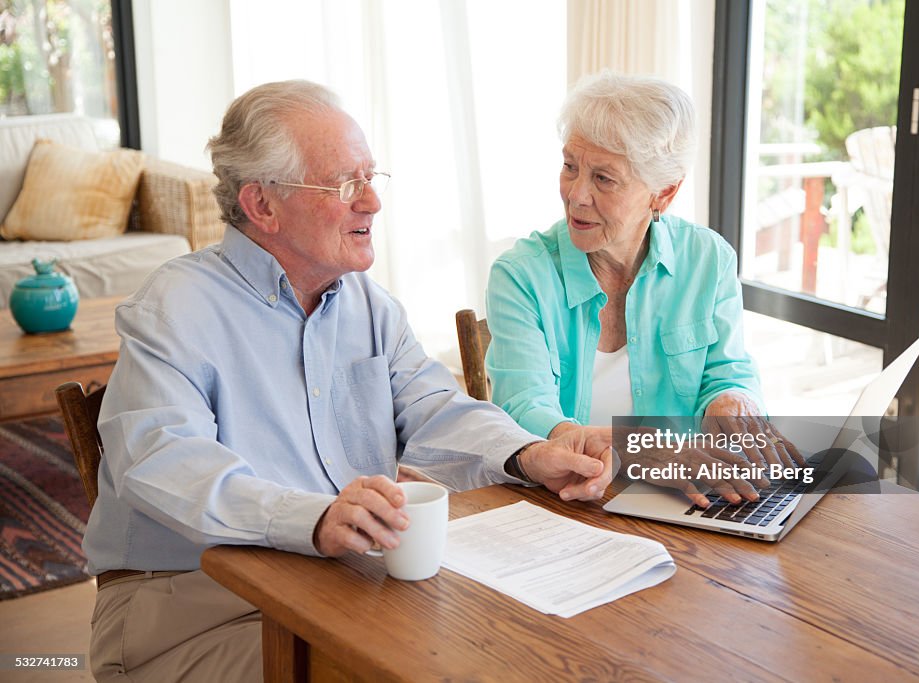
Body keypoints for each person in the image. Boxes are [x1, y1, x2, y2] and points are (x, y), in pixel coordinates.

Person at [83, 80, 612, 683]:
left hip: (340, 584)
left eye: (371, 177)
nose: (372, 202)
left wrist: (529, 453)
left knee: (526, 652)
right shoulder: (176, 306)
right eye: (344, 183)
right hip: (193, 607)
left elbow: (436, 406)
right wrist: (313, 518)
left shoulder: (369, 305)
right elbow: (164, 460)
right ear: (262, 206)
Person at [485, 72, 800, 507]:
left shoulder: (708, 259)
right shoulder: (520, 276)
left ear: (663, 194)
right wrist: (632, 448)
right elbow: (523, 408)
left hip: (686, 502)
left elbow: (727, 367)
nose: (576, 195)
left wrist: (732, 400)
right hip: (569, 506)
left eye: (604, 179)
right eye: (570, 166)